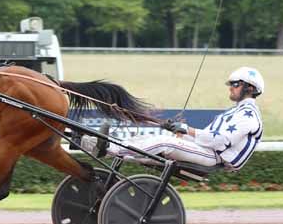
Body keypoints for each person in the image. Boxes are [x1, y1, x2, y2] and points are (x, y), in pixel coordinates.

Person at [81, 67, 265, 171]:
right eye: (231, 84)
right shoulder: (236, 112)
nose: (230, 88)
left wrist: (185, 129)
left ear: (249, 88)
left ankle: (107, 148)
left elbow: (218, 141)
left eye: (235, 84)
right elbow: (209, 137)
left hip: (213, 157)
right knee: (153, 137)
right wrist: (180, 131)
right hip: (207, 150)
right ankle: (106, 146)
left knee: (163, 142)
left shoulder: (248, 117)